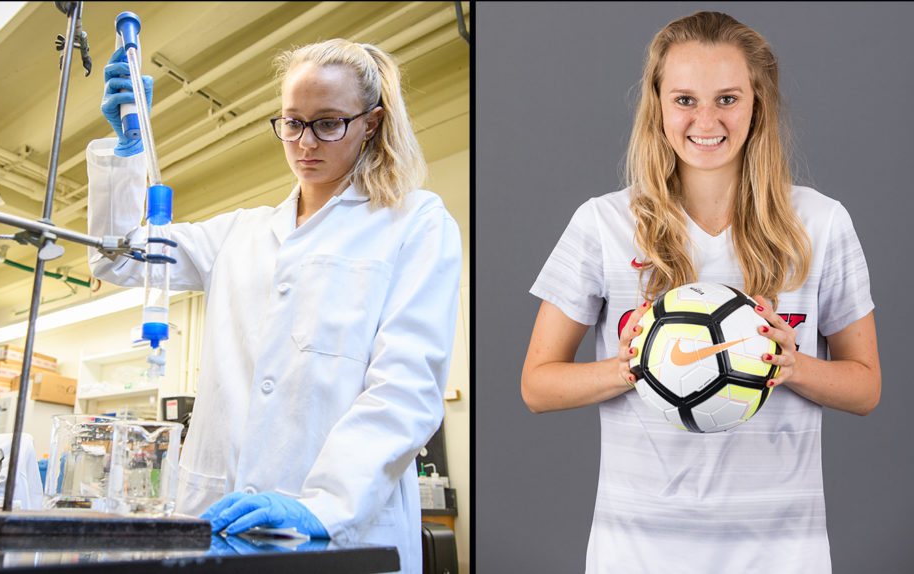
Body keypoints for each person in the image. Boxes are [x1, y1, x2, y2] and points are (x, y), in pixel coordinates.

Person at [521, 11, 880, 573]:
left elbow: (866, 387)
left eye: (728, 99)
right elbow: (537, 385)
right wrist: (629, 366)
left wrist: (793, 365)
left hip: (783, 552)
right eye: (685, 99)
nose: (706, 120)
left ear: (758, 103)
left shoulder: (822, 223)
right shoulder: (603, 224)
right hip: (636, 552)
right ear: (658, 104)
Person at [87, 38, 461, 574]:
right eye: (292, 122)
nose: (306, 143)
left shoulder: (415, 223)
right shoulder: (239, 234)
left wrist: (326, 504)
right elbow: (118, 259)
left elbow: (407, 387)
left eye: (329, 123)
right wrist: (125, 159)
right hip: (217, 521)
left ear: (371, 122)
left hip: (340, 530)